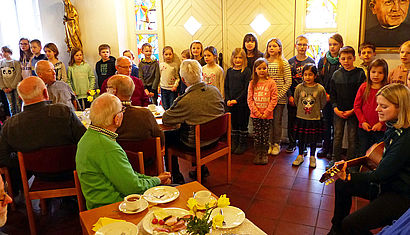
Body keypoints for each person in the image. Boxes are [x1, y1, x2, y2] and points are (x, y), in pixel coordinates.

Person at [328, 83, 410, 235]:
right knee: (341, 184)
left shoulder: (406, 138)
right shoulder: (393, 127)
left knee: (351, 224)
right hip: (386, 185)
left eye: (383, 107)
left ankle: (343, 228)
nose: (377, 109)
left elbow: (380, 174)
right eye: (378, 105)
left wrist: (350, 175)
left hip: (399, 195)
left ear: (401, 108)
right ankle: (336, 230)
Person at [76, 93, 171, 210]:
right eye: (122, 111)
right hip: (112, 207)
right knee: (172, 199)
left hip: (98, 203)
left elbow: (129, 176)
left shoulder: (89, 137)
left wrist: (155, 179)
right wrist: (157, 180)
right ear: (117, 119)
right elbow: (133, 188)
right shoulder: (107, 147)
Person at [0, 77, 86, 191]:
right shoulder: (63, 112)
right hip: (71, 172)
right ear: (45, 92)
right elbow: (84, 141)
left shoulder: (10, 125)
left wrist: (24, 162)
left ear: (20, 97)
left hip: (38, 175)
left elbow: (2, 157)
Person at [162, 59, 225, 183]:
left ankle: (175, 176)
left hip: (196, 144)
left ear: (184, 80)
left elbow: (166, 119)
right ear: (201, 74)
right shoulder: (215, 91)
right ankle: (201, 169)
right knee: (198, 124)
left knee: (167, 137)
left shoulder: (185, 100)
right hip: (216, 139)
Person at [329, 46, 366, 168]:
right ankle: (335, 160)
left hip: (354, 112)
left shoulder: (360, 74)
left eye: (349, 58)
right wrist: (335, 109)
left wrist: (353, 110)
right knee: (337, 135)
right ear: (339, 59)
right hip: (338, 111)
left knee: (352, 137)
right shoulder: (336, 74)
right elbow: (332, 94)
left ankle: (350, 163)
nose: (346, 61)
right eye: (343, 58)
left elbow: (362, 95)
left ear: (354, 58)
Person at [106, 74, 164, 145]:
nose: (106, 90)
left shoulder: (105, 115)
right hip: (144, 154)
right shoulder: (145, 114)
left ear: (114, 91)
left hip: (113, 154)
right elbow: (160, 138)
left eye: (108, 88)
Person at [292, 64, 327, 168]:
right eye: (305, 74)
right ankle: (300, 155)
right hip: (301, 118)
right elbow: (296, 100)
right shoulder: (299, 87)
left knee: (313, 139)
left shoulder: (320, 89)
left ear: (315, 76)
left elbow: (323, 102)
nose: (307, 77)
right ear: (302, 75)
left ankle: (312, 156)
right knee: (301, 138)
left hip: (314, 118)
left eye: (310, 74)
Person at [354, 59, 388, 158]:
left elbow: (390, 110)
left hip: (381, 129)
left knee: (378, 153)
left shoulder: (387, 89)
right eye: (373, 72)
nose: (376, 75)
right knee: (362, 151)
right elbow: (357, 106)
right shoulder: (364, 87)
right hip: (364, 127)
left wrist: (381, 123)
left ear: (385, 74)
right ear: (369, 73)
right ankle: (359, 171)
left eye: (380, 72)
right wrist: (363, 122)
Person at [287, 35, 315, 153]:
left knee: (304, 121)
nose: (302, 47)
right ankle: (292, 143)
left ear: (307, 46)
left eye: (304, 45)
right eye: (300, 44)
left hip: (306, 97)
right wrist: (289, 95)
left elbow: (315, 81)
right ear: (295, 46)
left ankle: (303, 145)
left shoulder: (311, 62)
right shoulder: (290, 62)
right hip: (293, 96)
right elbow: (287, 80)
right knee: (291, 120)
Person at [317, 33, 343, 159]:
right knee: (326, 123)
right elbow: (320, 79)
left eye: (335, 44)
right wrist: (325, 94)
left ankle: (333, 149)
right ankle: (325, 146)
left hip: (337, 98)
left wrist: (332, 96)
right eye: (330, 44)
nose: (332, 47)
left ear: (340, 45)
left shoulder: (343, 60)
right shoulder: (323, 60)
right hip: (325, 97)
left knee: (336, 125)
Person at [247, 58, 278, 165]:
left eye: (264, 68)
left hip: (267, 115)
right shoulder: (252, 83)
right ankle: (257, 153)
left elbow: (274, 99)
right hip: (255, 115)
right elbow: (250, 99)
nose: (262, 70)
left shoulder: (271, 83)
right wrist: (256, 112)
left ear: (267, 69)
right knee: (257, 135)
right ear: (255, 70)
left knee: (265, 135)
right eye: (259, 68)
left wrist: (266, 112)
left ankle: (264, 153)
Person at [264, 38, 291, 156]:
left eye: (274, 46)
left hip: (279, 99)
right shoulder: (264, 61)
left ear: (279, 48)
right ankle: (268, 143)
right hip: (266, 99)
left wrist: (278, 96)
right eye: (269, 46)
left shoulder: (284, 62)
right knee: (267, 122)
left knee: (277, 122)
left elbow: (288, 82)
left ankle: (276, 143)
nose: (271, 48)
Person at [225, 48, 252, 155]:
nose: (237, 60)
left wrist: (236, 100)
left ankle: (242, 143)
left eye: (240, 57)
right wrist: (227, 99)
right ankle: (234, 142)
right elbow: (226, 86)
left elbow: (246, 89)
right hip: (231, 103)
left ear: (244, 59)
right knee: (234, 123)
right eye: (235, 57)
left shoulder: (246, 71)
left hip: (242, 104)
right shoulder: (229, 71)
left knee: (242, 123)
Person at [0, 46, 22, 115]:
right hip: (6, 87)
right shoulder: (1, 63)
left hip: (15, 86)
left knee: (18, 104)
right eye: (2, 52)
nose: (4, 53)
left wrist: (12, 86)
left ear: (9, 52)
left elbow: (18, 75)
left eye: (5, 52)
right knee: (11, 105)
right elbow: (0, 76)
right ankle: (13, 119)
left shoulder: (15, 62)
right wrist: (3, 87)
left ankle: (19, 118)